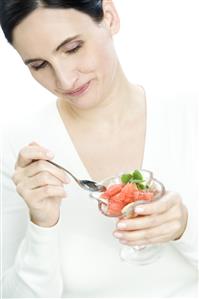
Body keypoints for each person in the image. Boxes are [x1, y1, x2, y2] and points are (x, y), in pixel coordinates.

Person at [1, 0, 198, 297]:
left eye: (72, 48)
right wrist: (42, 225)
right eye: (39, 65)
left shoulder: (190, 116)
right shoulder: (18, 152)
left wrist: (185, 227)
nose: (65, 79)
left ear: (109, 17)